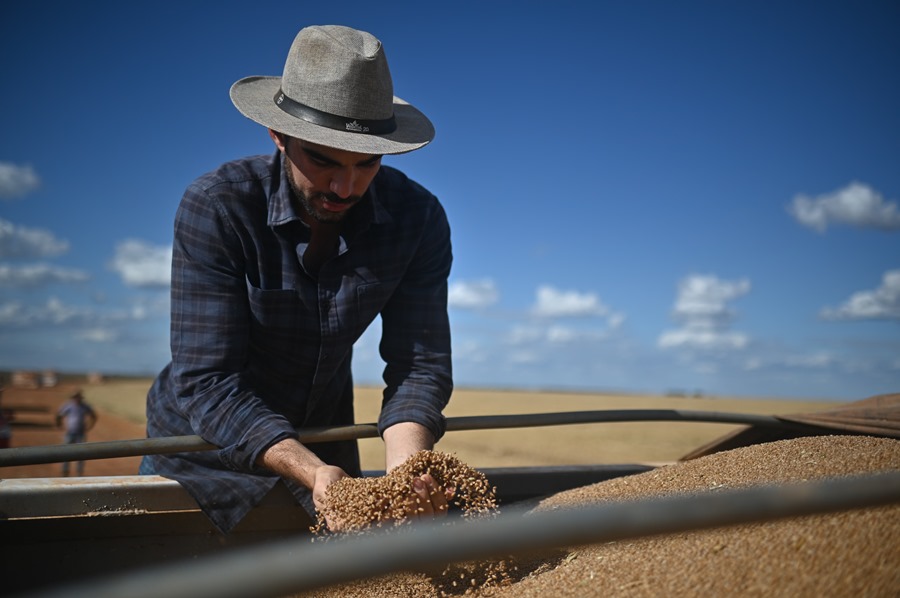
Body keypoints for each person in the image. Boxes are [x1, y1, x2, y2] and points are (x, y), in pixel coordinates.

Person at [140, 25, 454, 534]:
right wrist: (312, 472)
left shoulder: (417, 219)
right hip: (203, 461)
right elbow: (207, 382)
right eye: (323, 160)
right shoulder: (219, 207)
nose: (345, 187)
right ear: (279, 136)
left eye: (367, 163)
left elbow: (419, 364)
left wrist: (407, 468)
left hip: (327, 451)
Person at [56, 390, 98, 476]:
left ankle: (79, 472)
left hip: (80, 433)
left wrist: (90, 426)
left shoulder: (85, 406)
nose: (77, 399)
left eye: (78, 397)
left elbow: (93, 416)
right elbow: (59, 415)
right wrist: (59, 425)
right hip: (70, 433)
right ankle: (65, 471)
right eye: (75, 397)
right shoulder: (68, 405)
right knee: (66, 453)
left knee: (81, 453)